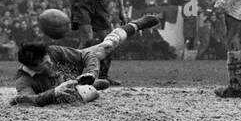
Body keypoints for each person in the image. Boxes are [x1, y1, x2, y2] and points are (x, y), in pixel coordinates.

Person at [11, 14, 160, 106]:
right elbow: (30, 101)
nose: (50, 63)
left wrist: (90, 73)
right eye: (45, 64)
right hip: (67, 84)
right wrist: (55, 92)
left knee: (107, 46)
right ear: (33, 67)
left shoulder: (52, 51)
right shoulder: (23, 81)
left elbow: (87, 56)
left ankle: (135, 25)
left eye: (49, 59)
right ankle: (90, 84)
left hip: (75, 69)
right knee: (85, 93)